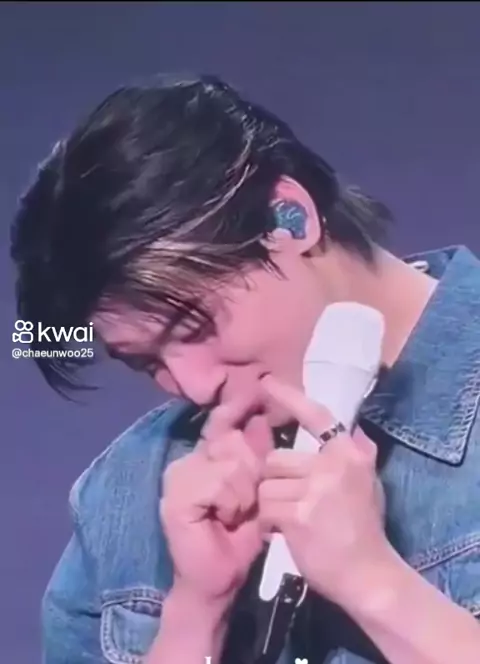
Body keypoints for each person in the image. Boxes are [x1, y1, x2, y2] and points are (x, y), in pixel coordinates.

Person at [11, 74, 480, 664]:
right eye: (146, 362)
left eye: (196, 327)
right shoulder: (126, 494)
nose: (194, 385)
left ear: (289, 218)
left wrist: (377, 587)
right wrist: (195, 616)